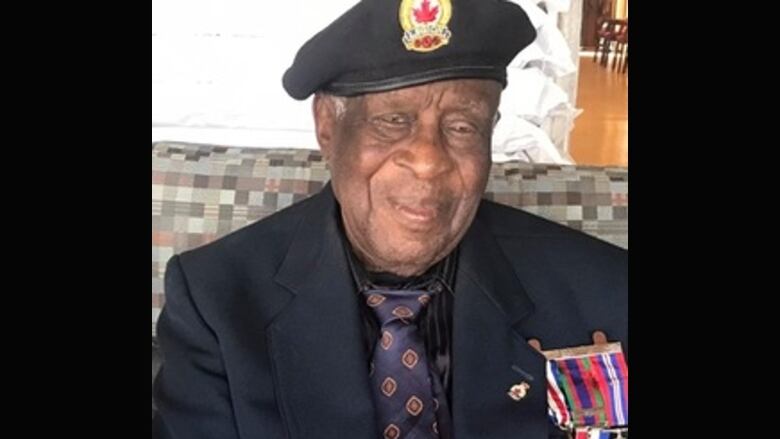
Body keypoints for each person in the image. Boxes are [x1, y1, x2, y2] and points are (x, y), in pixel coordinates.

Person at [152, 0, 627, 438]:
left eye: (463, 126)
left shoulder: (605, 285)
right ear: (328, 127)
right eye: (393, 120)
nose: (427, 160)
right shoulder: (215, 302)